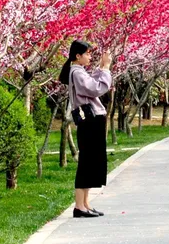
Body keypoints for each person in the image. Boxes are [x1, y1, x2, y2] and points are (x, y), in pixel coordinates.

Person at [60, 39, 113, 219]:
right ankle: (79, 206)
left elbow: (91, 84)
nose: (90, 56)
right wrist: (105, 68)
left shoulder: (78, 72)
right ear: (77, 56)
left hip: (92, 119)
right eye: (88, 53)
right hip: (89, 121)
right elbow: (95, 89)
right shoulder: (76, 73)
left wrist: (101, 68)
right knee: (86, 163)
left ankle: (85, 204)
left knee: (90, 162)